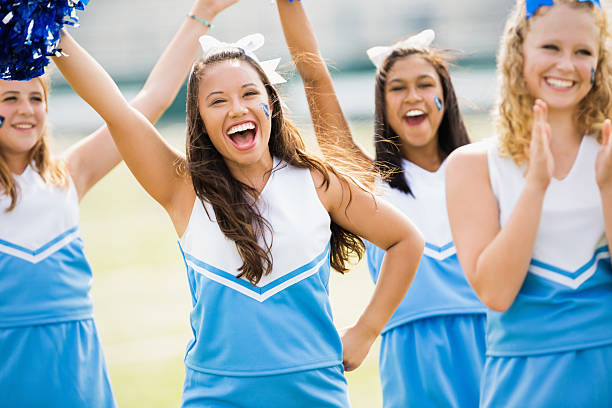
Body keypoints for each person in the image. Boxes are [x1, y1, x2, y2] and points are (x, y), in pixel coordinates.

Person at [51, 1, 425, 406]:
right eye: (217, 101)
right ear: (200, 119)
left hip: (315, 394)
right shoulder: (183, 188)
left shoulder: (316, 181)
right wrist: (50, 28)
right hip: (215, 397)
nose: (237, 108)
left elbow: (406, 240)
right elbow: (114, 108)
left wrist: (367, 329)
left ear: (271, 105)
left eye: (250, 93)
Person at [0, 1, 237, 406]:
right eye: (9, 98)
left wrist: (204, 13)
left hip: (74, 369)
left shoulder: (68, 175)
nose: (26, 110)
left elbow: (152, 100)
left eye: (35, 98)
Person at [275, 1, 486, 407]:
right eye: (397, 87)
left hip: (491, 340)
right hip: (411, 355)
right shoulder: (369, 181)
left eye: (425, 84)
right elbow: (314, 76)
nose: (413, 96)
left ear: (446, 95)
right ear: (382, 104)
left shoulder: (485, 171)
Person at [446, 0, 612, 406]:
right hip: (526, 382)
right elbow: (497, 293)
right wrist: (535, 186)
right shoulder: (472, 165)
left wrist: (607, 187)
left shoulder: (608, 151)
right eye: (551, 47)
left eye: (583, 52)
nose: (567, 65)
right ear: (519, 52)